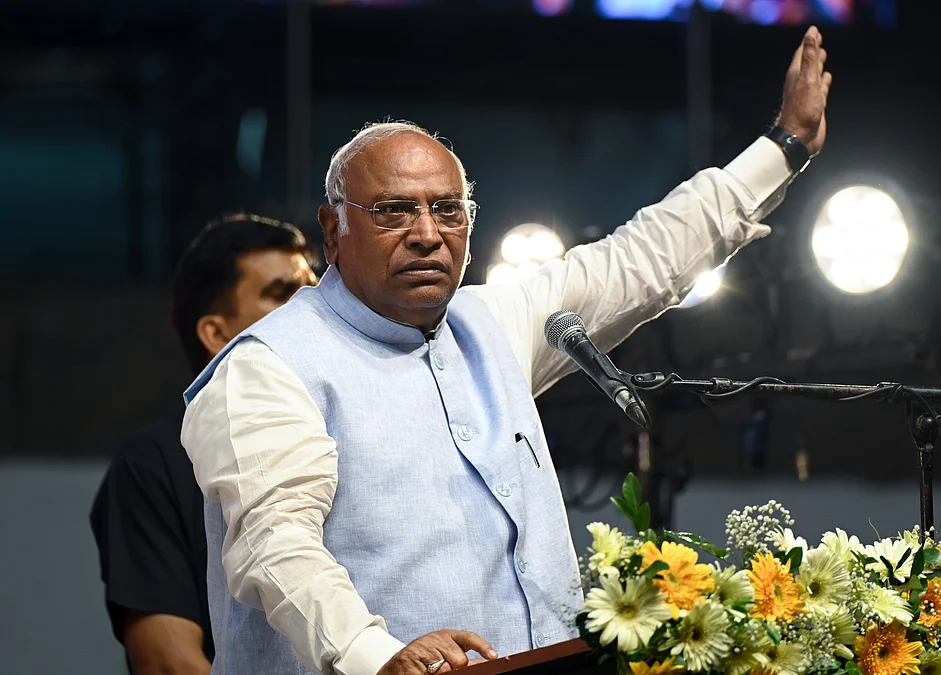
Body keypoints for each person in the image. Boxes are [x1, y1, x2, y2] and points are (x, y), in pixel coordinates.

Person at [181, 26, 831, 675]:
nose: (428, 235)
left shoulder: (491, 319)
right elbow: (275, 543)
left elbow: (642, 258)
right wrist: (375, 654)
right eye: (394, 212)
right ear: (333, 229)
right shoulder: (267, 364)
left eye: (448, 209)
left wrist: (786, 146)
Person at [89, 214, 319, 675]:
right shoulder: (154, 464)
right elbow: (167, 662)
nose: (312, 307)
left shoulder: (355, 429)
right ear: (216, 334)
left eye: (315, 290)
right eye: (282, 294)